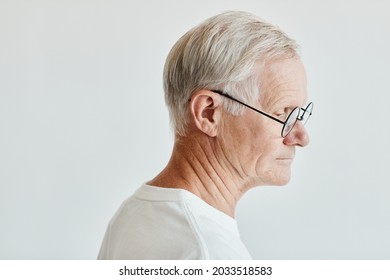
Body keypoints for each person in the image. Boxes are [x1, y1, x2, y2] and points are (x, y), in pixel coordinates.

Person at [98, 10, 313, 260]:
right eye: (283, 113)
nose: (301, 136)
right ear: (208, 113)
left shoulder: (134, 214)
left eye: (300, 114)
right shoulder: (210, 254)